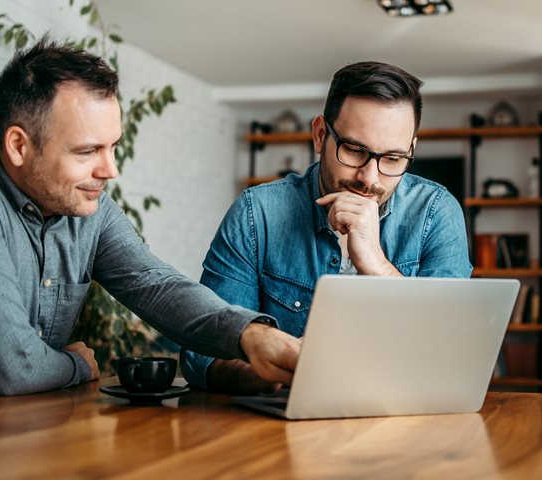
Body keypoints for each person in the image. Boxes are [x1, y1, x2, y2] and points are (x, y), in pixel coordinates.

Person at [0, 40, 300, 412]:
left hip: (5, 441)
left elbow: (155, 285)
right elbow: (12, 368)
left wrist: (249, 334)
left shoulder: (90, 209)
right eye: (87, 152)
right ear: (19, 145)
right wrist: (77, 365)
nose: (110, 170)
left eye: (113, 147)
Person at [181, 61, 472, 394]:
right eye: (353, 150)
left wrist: (376, 265)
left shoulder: (437, 212)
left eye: (393, 158)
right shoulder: (256, 214)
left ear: (411, 151)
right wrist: (272, 371)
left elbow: (452, 355)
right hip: (283, 425)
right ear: (320, 135)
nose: (369, 178)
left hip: (407, 423)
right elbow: (200, 358)